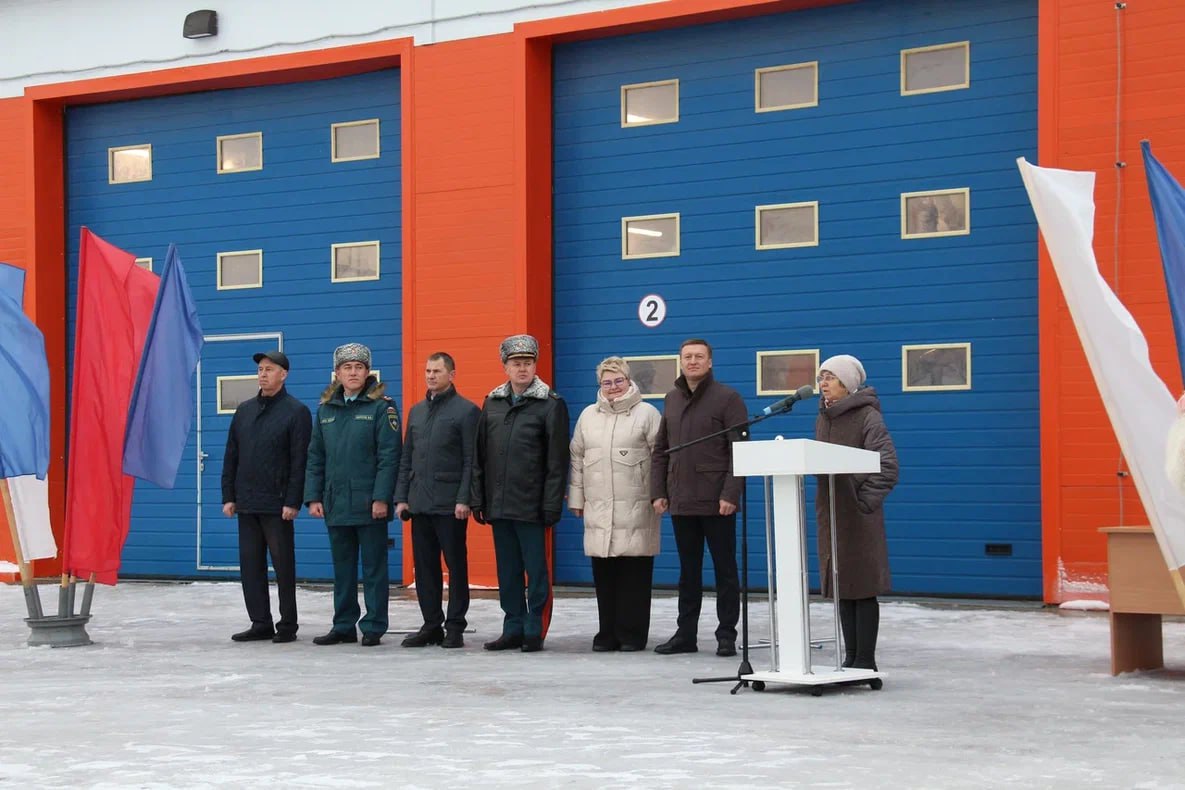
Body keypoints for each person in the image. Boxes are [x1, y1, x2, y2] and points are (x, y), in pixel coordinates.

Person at [471, 334, 569, 653]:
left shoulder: (550, 404)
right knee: (508, 571)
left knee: (536, 572)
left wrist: (552, 505)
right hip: (499, 506)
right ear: (505, 367)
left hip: (532, 506)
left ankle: (533, 630)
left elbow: (557, 461)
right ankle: (512, 626)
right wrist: (478, 499)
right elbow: (480, 456)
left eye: (527, 363)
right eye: (516, 363)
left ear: (535, 365)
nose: (522, 368)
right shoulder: (493, 403)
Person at [650, 338, 748, 657]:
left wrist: (731, 493)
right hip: (681, 500)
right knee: (688, 571)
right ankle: (686, 634)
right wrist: (659, 491)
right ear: (681, 362)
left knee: (725, 570)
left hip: (717, 501)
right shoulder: (672, 398)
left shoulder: (728, 399)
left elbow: (740, 451)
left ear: (710, 362)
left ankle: (726, 634)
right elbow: (661, 450)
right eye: (687, 357)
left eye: (699, 357)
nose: (692, 361)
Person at [304, 343, 402, 647]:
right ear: (337, 374)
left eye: (359, 367)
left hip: (369, 503)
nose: (353, 372)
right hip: (335, 503)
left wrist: (381, 498)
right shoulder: (325, 410)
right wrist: (314, 497)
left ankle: (373, 626)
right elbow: (315, 457)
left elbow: (389, 456)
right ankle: (343, 624)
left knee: (374, 568)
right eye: (347, 368)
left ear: (367, 372)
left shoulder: (381, 407)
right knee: (342, 569)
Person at [569, 357, 662, 652]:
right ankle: (607, 632)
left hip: (636, 506)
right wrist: (576, 497)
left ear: (629, 380)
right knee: (605, 573)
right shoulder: (587, 416)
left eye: (618, 380)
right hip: (598, 507)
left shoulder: (647, 414)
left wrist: (660, 494)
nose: (612, 387)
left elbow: (661, 457)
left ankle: (632, 634)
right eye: (606, 382)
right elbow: (577, 458)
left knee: (633, 573)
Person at [814, 354, 899, 671]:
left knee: (861, 588)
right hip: (831, 514)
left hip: (858, 516)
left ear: (847, 384)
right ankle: (850, 658)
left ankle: (865, 660)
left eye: (830, 377)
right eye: (821, 377)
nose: (823, 384)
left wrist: (863, 501)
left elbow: (888, 467)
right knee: (842, 587)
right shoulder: (823, 417)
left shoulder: (867, 417)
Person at [222, 350, 312, 643]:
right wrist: (229, 495)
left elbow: (300, 461)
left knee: (283, 565)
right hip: (247, 502)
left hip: (277, 504)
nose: (263, 374)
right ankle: (260, 621)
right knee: (250, 565)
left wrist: (292, 501)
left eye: (269, 369)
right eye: (260, 369)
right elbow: (231, 456)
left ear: (283, 374)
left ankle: (288, 624)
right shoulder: (244, 411)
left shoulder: (296, 412)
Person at [394, 352, 479, 649]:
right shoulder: (416, 412)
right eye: (428, 371)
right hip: (419, 503)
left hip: (450, 504)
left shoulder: (466, 411)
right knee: (425, 567)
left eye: (437, 371)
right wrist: (401, 497)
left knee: (456, 566)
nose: (431, 375)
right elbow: (407, 457)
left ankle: (454, 625)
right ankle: (431, 624)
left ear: (452, 374)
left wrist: (464, 498)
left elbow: (471, 459)